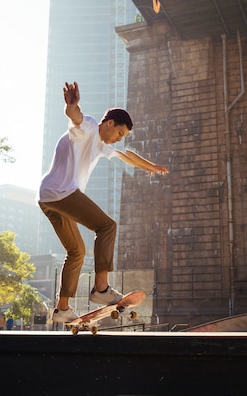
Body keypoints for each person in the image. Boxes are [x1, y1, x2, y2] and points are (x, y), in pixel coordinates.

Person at [39, 81, 169, 323]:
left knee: (76, 251)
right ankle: (101, 289)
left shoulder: (101, 145)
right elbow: (74, 116)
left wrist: (150, 167)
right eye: (119, 133)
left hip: (49, 198)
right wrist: (72, 105)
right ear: (109, 123)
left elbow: (127, 155)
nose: (119, 139)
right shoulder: (88, 127)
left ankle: (62, 309)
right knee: (107, 226)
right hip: (61, 193)